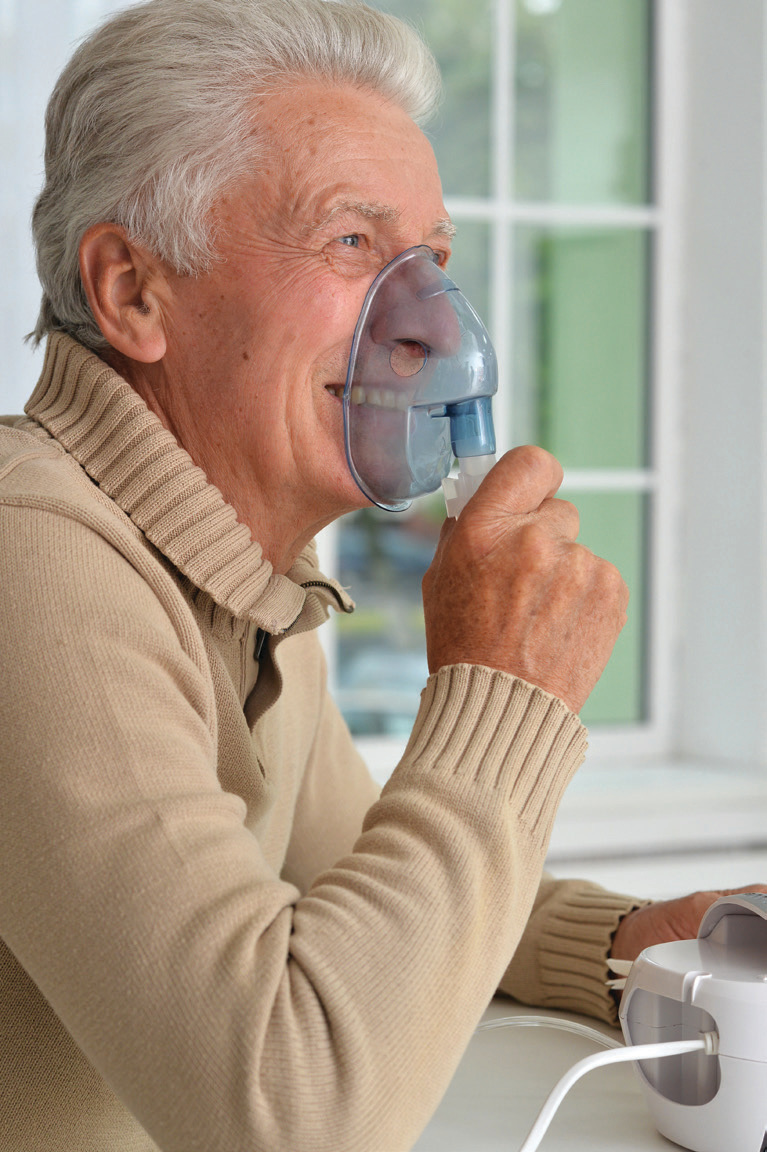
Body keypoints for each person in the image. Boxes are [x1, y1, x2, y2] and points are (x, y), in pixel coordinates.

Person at [0, 1, 762, 1149]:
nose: (435, 328)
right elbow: (293, 1110)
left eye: (431, 259)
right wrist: (503, 695)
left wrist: (630, 942)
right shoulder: (30, 552)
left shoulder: (243, 568)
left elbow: (359, 895)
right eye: (352, 243)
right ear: (132, 291)